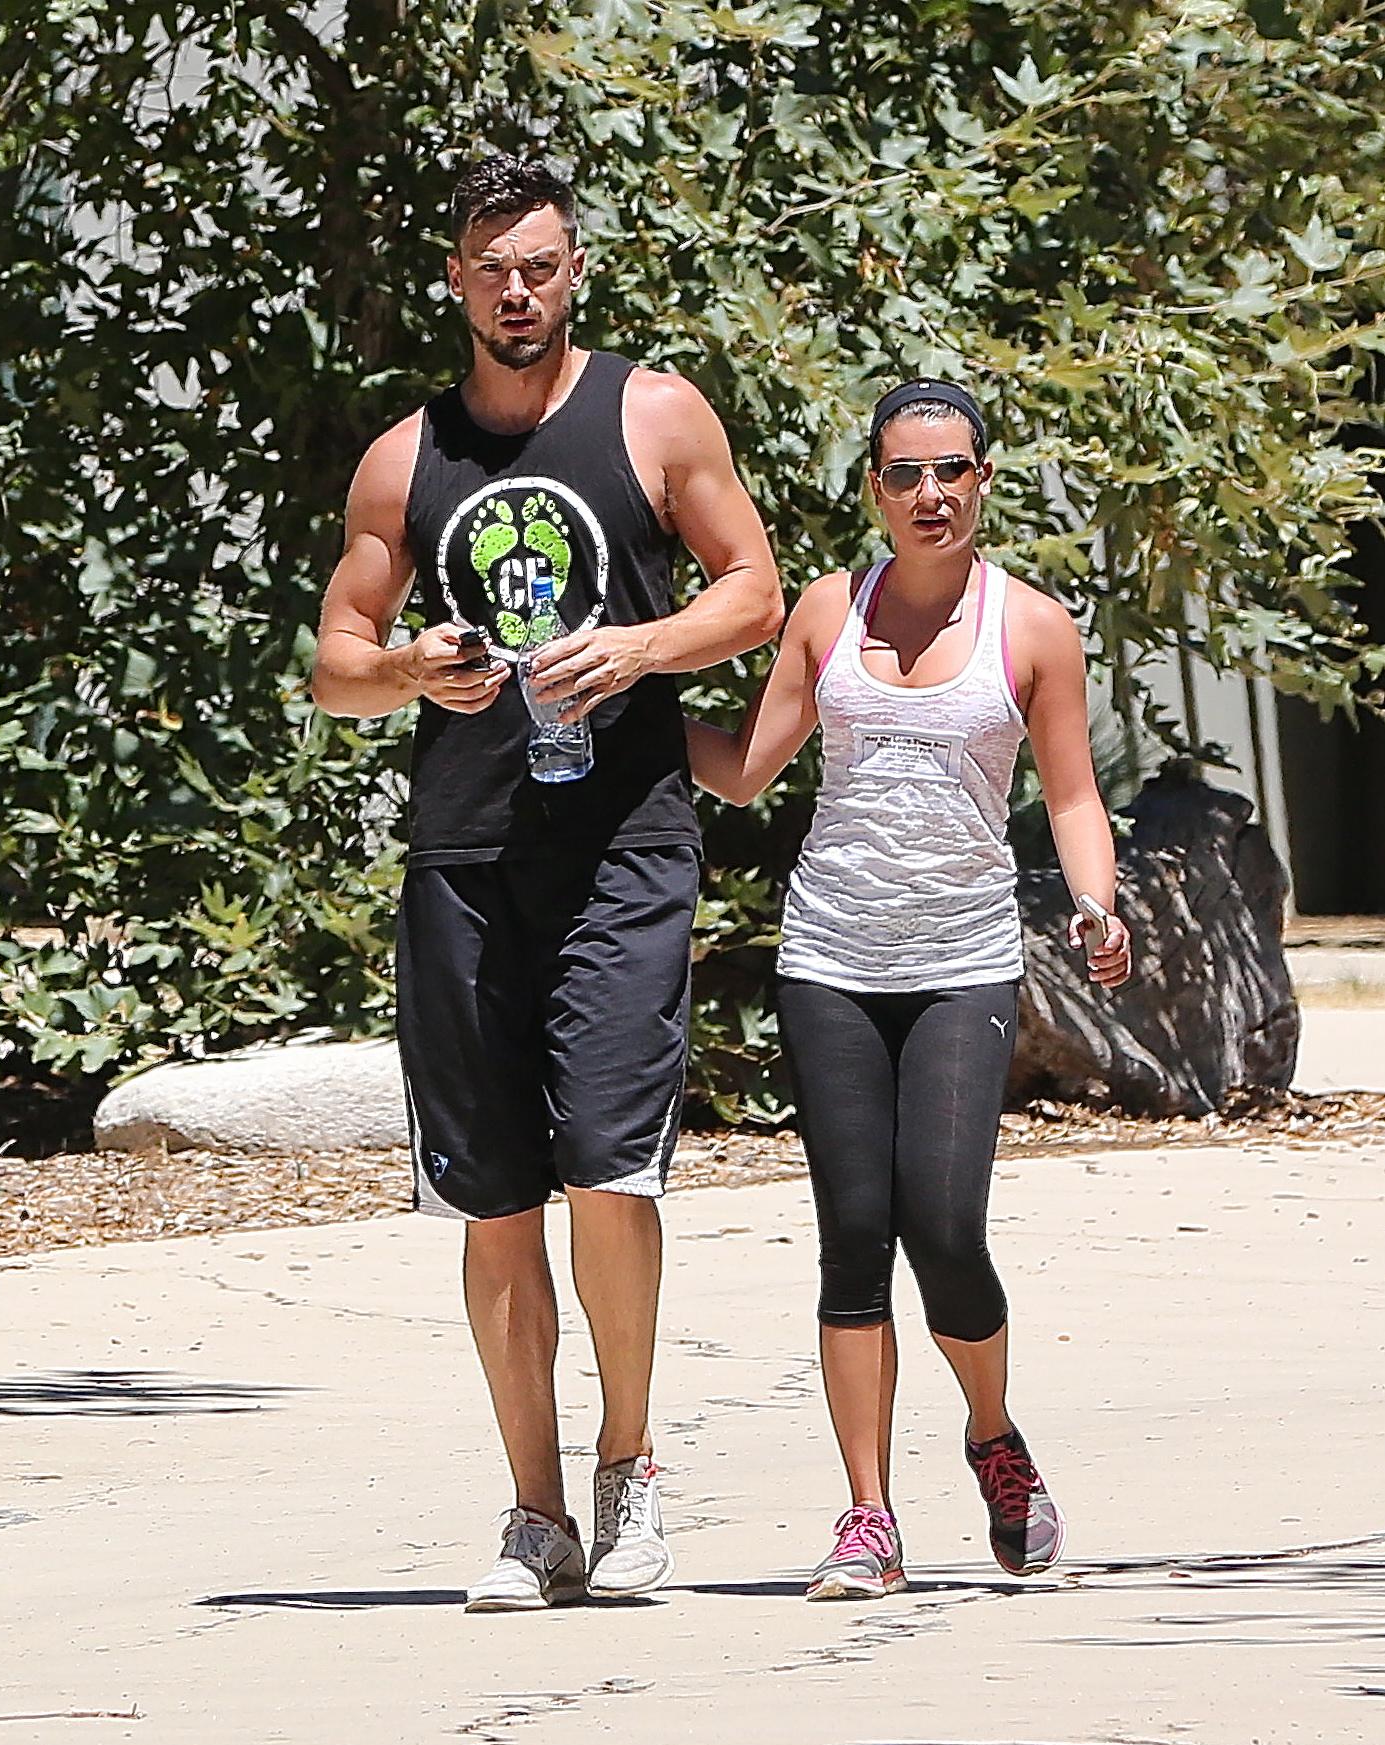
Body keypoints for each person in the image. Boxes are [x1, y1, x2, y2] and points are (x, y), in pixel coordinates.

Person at [311, 154, 781, 1611]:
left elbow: (754, 586)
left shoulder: (652, 414)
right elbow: (335, 664)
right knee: (495, 1196)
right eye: (492, 266)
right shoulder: (406, 455)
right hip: (463, 861)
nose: (519, 288)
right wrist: (402, 670)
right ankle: (533, 1513)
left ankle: (628, 1474)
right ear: (457, 280)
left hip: (624, 848)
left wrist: (636, 648)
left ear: (576, 270)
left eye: (543, 263)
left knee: (606, 1165)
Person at [685, 378, 1131, 1601]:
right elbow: (746, 769)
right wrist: (636, 699)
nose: (928, 493)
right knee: (849, 1242)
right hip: (830, 955)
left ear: (984, 479)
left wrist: (1096, 899)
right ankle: (868, 1516)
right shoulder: (827, 612)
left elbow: (1073, 793)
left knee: (944, 1229)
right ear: (874, 489)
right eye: (903, 473)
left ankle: (992, 1435)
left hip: (962, 964)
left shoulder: (1032, 627)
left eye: (950, 470)